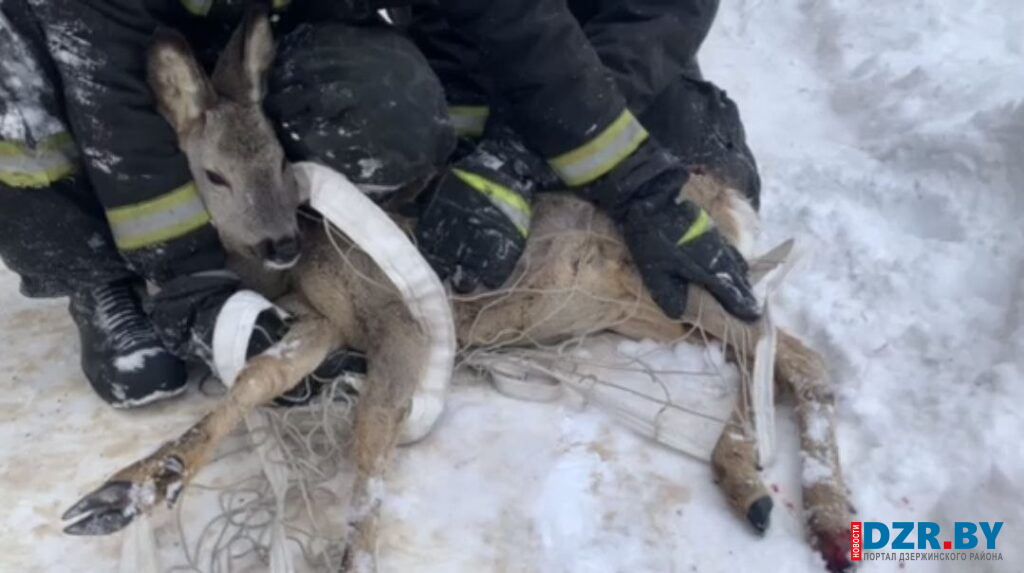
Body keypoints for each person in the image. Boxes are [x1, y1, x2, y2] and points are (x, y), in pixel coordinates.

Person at [0, 0, 759, 408]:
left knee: (381, 109)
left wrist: (616, 178)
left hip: (254, 42)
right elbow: (113, 102)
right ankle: (95, 273)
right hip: (91, 40)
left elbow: (509, 21)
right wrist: (185, 277)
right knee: (16, 91)